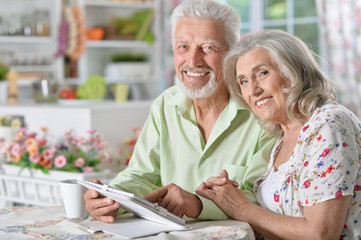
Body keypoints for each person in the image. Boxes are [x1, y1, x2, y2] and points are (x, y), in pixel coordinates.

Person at [84, 0, 275, 223]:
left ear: (233, 55)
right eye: (183, 47)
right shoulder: (165, 104)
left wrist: (199, 204)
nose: (193, 61)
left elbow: (262, 198)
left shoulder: (260, 111)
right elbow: (142, 174)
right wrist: (111, 197)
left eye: (208, 48)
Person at [196, 29, 361, 239]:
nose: (253, 90)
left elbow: (321, 234)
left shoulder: (328, 124)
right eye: (243, 81)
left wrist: (241, 208)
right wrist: (224, 196)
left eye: (262, 73)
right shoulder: (283, 137)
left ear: (292, 73)